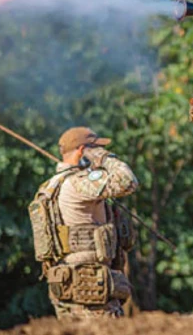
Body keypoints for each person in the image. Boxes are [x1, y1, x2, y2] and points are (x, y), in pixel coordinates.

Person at [29, 126, 139, 319]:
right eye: (95, 148)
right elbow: (128, 181)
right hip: (90, 284)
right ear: (82, 151)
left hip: (66, 282)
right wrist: (104, 158)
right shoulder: (79, 182)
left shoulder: (53, 185)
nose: (99, 152)